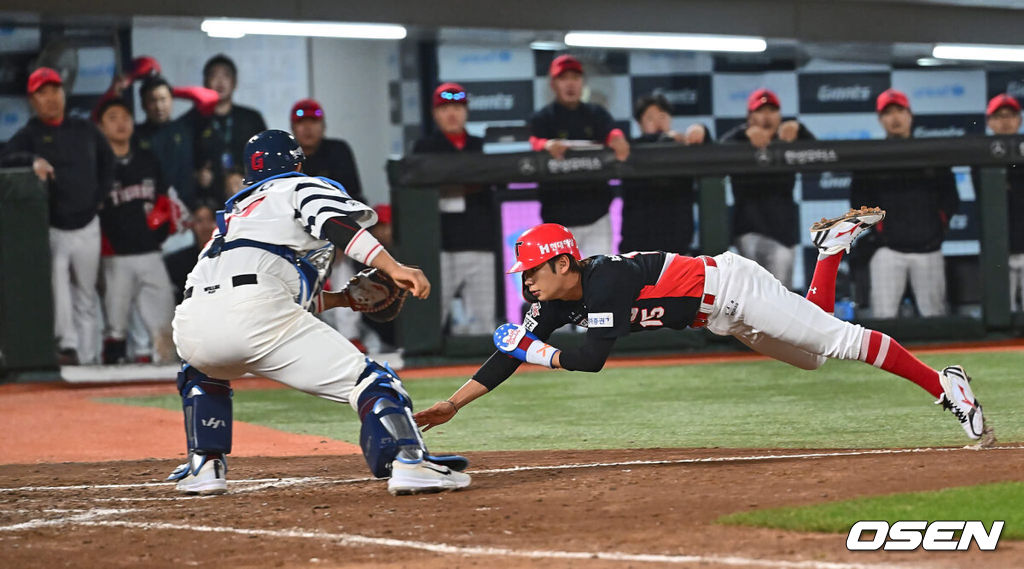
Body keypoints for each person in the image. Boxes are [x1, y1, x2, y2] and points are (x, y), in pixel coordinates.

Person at [414, 208, 993, 448]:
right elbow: (513, 352)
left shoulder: (606, 281)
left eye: (533, 271)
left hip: (736, 287)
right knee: (812, 356)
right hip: (720, 316)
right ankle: (830, 252)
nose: (526, 283)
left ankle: (947, 388)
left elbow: (587, 361)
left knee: (838, 340)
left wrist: (534, 352)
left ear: (562, 262)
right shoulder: (558, 297)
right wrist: (456, 403)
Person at [167, 129, 470, 496]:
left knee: (202, 371)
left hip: (192, 323)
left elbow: (252, 292)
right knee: (373, 380)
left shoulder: (232, 218)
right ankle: (408, 460)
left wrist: (343, 299)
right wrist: (394, 267)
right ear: (296, 162)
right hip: (258, 315)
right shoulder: (296, 187)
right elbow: (333, 223)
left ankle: (204, 466)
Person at [0, 67, 114, 365]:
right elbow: (5, 158)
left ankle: (90, 356)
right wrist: (32, 159)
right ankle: (68, 346)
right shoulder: (29, 134)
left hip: (88, 222)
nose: (51, 98)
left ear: (64, 93)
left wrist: (99, 199)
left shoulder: (85, 129)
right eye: (42, 93)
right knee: (58, 287)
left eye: (55, 90)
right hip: (53, 227)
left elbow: (108, 163)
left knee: (86, 293)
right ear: (32, 100)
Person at [850, 89, 959, 318]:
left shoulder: (931, 154)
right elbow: (859, 204)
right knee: (883, 317)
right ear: (880, 119)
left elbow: (950, 198)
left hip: (929, 248)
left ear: (910, 114)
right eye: (888, 113)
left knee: (935, 318)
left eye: (900, 110)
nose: (895, 118)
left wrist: (938, 226)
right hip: (887, 251)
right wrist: (880, 232)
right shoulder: (870, 157)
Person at [94, 98, 177, 364]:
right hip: (114, 256)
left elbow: (164, 199)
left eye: (126, 117)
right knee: (115, 325)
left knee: (165, 322)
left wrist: (159, 231)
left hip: (150, 252)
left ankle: (167, 378)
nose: (121, 123)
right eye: (113, 117)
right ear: (101, 126)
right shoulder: (96, 163)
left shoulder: (146, 158)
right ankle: (108, 387)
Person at [412, 83, 498, 335]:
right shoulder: (425, 148)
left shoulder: (482, 146)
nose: (452, 113)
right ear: (435, 113)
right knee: (431, 318)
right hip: (440, 246)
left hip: (480, 242)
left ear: (466, 111)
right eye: (445, 107)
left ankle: (487, 373)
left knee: (484, 321)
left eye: (458, 107)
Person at [529, 54, 630, 257]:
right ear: (553, 84)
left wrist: (618, 138)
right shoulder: (542, 118)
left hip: (597, 215)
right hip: (557, 219)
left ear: (582, 82)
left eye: (575, 78)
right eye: (563, 78)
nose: (570, 84)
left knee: (600, 279)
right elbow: (534, 141)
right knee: (562, 285)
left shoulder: (596, 113)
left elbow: (612, 131)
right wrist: (547, 145)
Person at [720, 88, 814, 289]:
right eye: (760, 111)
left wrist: (799, 128)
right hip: (751, 231)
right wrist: (744, 132)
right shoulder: (740, 140)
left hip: (785, 235)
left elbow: (819, 154)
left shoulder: (787, 140)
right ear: (750, 117)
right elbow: (717, 153)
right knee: (766, 296)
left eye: (772, 110)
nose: (767, 117)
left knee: (782, 296)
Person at [621, 94, 710, 254]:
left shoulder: (682, 147)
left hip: (678, 247)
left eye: (662, 116)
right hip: (639, 250)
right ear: (639, 124)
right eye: (650, 118)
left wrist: (701, 130)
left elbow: (712, 150)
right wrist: (665, 140)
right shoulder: (629, 149)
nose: (658, 123)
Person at [184, 54, 267, 204]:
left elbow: (268, 160)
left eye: (226, 76)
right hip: (206, 205)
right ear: (205, 82)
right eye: (214, 76)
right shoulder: (192, 121)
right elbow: (181, 164)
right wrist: (196, 176)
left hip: (249, 199)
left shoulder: (251, 118)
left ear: (234, 82)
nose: (220, 82)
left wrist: (248, 177)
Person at [981, 94, 1024, 312]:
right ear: (989, 121)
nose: (1005, 121)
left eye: (1011, 115)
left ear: (1020, 119)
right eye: (998, 116)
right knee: (999, 317)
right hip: (997, 252)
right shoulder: (980, 155)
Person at [289, 98, 365, 203]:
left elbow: (352, 193)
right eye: (301, 122)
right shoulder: (287, 157)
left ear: (324, 126)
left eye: (313, 122)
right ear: (293, 128)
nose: (308, 128)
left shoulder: (338, 151)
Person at [164, 199, 219, 305]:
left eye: (210, 220)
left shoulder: (228, 257)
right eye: (199, 221)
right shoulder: (177, 262)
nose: (205, 226)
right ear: (193, 225)